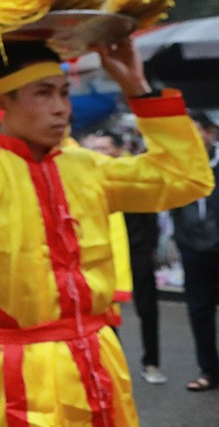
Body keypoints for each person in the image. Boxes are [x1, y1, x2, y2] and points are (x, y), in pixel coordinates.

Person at [0, 27, 214, 425]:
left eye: (63, 92)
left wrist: (136, 86)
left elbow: (187, 179)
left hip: (100, 356)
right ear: (1, 101)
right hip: (25, 369)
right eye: (43, 93)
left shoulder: (86, 167)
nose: (61, 109)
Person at [82, 130, 165, 384]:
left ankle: (151, 362)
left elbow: (150, 215)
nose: (99, 154)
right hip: (105, 255)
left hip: (136, 251)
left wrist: (150, 248)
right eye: (96, 149)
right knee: (105, 311)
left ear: (118, 150)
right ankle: (110, 363)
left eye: (105, 148)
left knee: (147, 309)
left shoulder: (131, 177)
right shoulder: (88, 178)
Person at [171, 115, 219, 392]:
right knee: (199, 311)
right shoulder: (179, 166)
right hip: (192, 246)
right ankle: (209, 371)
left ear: (208, 132)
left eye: (195, 131)